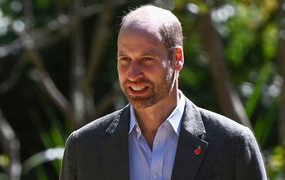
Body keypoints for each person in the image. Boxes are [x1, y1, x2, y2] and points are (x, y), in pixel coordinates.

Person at [60, 4, 267, 180]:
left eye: (146, 60)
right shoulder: (84, 148)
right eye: (125, 60)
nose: (133, 74)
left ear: (177, 58)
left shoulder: (233, 145)